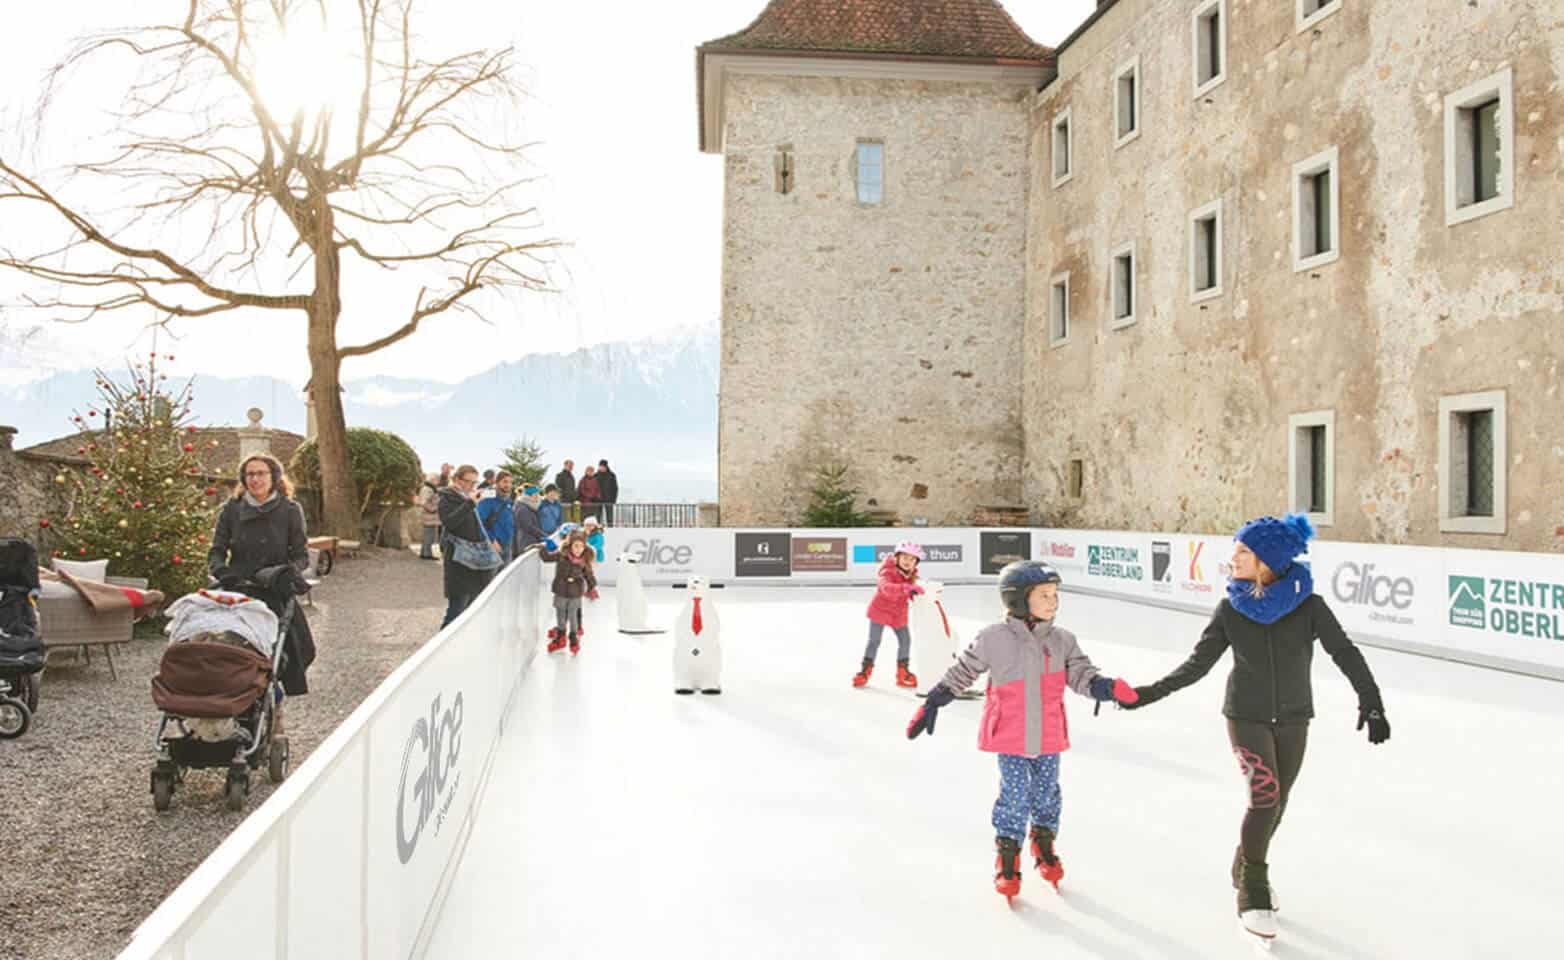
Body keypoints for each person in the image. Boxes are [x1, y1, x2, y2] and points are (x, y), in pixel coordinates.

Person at [1120, 513, 1389, 943]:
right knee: (1265, 799)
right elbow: (1198, 665)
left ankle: (1243, 864)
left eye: (1244, 551)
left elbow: (1345, 652)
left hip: (1295, 716)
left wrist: (1371, 701)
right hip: (1245, 715)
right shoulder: (1231, 608)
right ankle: (1254, 888)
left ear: (1268, 560)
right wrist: (1147, 693)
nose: (1234, 558)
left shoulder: (1310, 606)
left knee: (1278, 804)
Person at [907, 561, 1138, 902]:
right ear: (1017, 599)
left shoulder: (1062, 640)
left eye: (1055, 595)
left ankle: (1043, 842)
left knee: (1047, 794)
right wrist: (934, 701)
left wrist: (1106, 688)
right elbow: (964, 670)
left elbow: (1082, 676)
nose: (1053, 602)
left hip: (1048, 734)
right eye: (1044, 595)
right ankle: (1008, 853)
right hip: (1011, 735)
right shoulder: (993, 638)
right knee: (1014, 797)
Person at [207, 454, 317, 700]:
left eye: (261, 473)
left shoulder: (290, 510)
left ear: (274, 477)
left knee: (295, 647)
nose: (255, 479)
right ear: (243, 479)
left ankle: (273, 704)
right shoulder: (231, 509)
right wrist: (221, 570)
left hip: (274, 586)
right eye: (250, 474)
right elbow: (216, 550)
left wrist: (287, 573)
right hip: (237, 585)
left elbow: (301, 555)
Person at [852, 542, 925, 689]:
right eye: (904, 557)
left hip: (898, 613)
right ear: (897, 558)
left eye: (912, 559)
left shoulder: (912, 576)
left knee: (905, 641)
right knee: (874, 641)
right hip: (880, 610)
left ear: (915, 563)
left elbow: (910, 593)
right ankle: (865, 671)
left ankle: (902, 673)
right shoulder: (887, 571)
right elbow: (886, 588)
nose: (907, 561)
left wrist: (920, 596)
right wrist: (906, 588)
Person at [437, 464, 499, 627]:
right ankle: (442, 647)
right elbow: (450, 522)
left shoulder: (467, 497)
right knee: (456, 609)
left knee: (471, 608)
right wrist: (470, 503)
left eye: (474, 482)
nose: (472, 486)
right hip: (459, 561)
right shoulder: (447, 498)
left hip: (474, 561)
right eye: (469, 482)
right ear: (457, 479)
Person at [540, 529, 598, 655]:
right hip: (560, 590)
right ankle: (560, 636)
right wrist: (542, 547)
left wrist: (591, 586)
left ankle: (573, 638)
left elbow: (589, 575)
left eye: (581, 546)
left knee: (573, 615)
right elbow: (546, 558)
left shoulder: (584, 560)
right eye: (576, 546)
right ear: (570, 545)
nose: (578, 549)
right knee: (560, 614)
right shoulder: (561, 555)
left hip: (575, 592)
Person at [475, 471, 516, 565]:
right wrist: (492, 540)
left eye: (510, 482)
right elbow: (479, 522)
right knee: (493, 578)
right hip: (493, 545)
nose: (508, 485)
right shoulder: (488, 498)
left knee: (505, 577)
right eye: (505, 481)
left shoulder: (508, 500)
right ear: (497, 482)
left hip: (507, 544)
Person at [417, 466, 449, 560]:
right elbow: (423, 502)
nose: (438, 481)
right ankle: (427, 555)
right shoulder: (428, 489)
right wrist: (433, 509)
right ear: (433, 480)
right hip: (429, 517)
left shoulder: (428, 488)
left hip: (429, 517)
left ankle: (424, 553)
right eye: (437, 479)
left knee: (428, 536)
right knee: (429, 537)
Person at [513, 485, 546, 554]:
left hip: (531, 541)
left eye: (538, 495)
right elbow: (528, 526)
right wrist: (544, 536)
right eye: (536, 495)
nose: (538, 497)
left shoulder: (530, 506)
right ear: (529, 496)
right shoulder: (522, 508)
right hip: (526, 542)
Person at [595, 459, 618, 526]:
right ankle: (597, 528)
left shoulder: (611, 475)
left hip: (609, 500)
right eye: (600, 466)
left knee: (610, 517)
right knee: (598, 517)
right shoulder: (596, 475)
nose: (601, 468)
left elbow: (615, 488)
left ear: (606, 466)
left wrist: (613, 499)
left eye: (602, 466)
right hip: (598, 500)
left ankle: (610, 528)